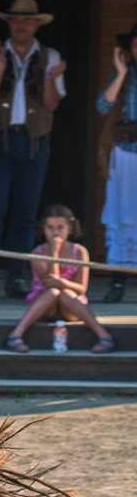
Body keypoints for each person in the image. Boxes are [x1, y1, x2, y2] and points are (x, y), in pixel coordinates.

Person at [0, 0, 67, 301]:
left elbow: (52, 104)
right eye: (15, 19)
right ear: (9, 23)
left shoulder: (50, 57)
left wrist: (51, 79)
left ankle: (17, 279)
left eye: (27, 20)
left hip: (34, 143)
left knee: (25, 215)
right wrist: (0, 68)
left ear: (37, 24)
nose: (21, 24)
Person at [3, 205, 116, 354]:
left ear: (69, 229)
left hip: (70, 307)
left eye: (60, 227)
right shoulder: (37, 253)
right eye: (50, 227)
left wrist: (62, 283)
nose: (55, 232)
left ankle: (104, 335)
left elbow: (81, 288)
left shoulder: (80, 252)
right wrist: (54, 253)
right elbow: (49, 282)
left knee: (63, 293)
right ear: (44, 229)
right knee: (53, 292)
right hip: (45, 306)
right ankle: (16, 334)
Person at [95, 21, 137, 303]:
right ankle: (119, 280)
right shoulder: (125, 73)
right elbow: (103, 104)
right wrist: (121, 72)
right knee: (121, 215)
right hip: (125, 151)